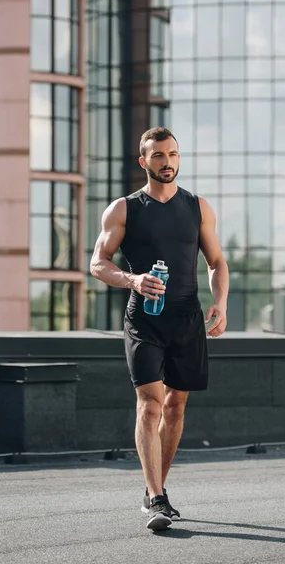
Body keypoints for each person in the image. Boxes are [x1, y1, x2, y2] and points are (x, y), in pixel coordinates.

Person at [90, 127, 229, 531]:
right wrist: (132, 280)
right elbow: (98, 264)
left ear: (179, 158)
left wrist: (219, 302)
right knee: (150, 404)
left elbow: (217, 262)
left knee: (175, 405)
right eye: (157, 156)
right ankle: (157, 497)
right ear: (143, 161)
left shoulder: (198, 207)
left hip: (187, 318)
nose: (166, 162)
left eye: (172, 154)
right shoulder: (124, 209)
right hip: (144, 318)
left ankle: (155, 488)